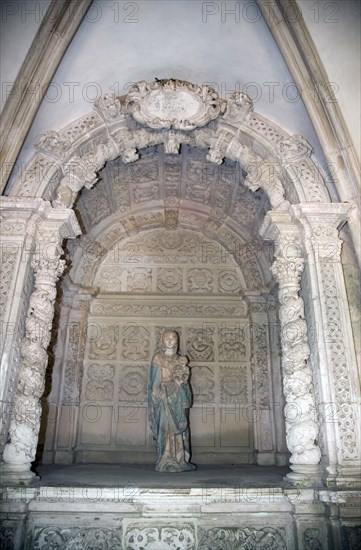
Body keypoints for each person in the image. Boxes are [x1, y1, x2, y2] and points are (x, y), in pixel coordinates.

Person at [148, 330, 196, 472]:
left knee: (181, 430)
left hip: (178, 397)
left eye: (173, 338)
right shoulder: (158, 358)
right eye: (167, 338)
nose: (170, 341)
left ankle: (181, 459)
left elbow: (184, 380)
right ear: (162, 340)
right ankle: (166, 460)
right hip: (165, 399)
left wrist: (182, 383)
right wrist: (159, 395)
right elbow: (154, 383)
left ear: (177, 341)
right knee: (166, 429)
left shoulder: (180, 359)